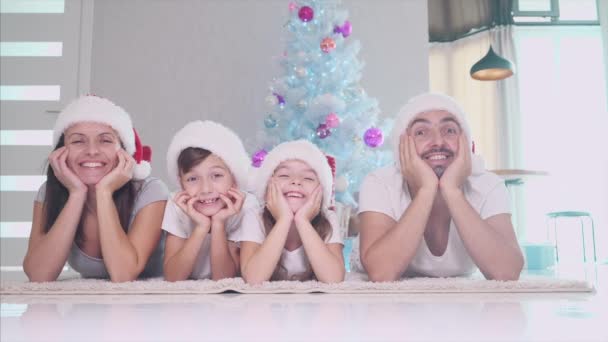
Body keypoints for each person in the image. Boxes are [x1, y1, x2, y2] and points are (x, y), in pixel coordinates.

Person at [352, 92, 524, 281]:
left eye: (449, 130)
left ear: (466, 143)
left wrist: (452, 191)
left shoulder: (488, 185)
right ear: (401, 146)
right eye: (421, 132)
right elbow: (382, 272)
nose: (438, 142)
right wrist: (426, 191)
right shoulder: (379, 183)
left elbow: (507, 272)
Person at [23, 95, 168, 282]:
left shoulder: (151, 191)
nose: (92, 151)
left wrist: (104, 193)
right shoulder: (48, 192)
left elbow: (123, 274)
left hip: (158, 306)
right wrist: (77, 194)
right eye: (78, 141)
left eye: (105, 140)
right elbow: (38, 275)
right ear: (60, 152)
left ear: (124, 152)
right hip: (91, 307)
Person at [162, 120, 260, 281]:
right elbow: (173, 277)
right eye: (193, 178)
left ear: (234, 178)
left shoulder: (247, 206)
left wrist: (218, 224)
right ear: (181, 183)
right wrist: (201, 227)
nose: (206, 189)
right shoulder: (178, 203)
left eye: (217, 176)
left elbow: (223, 279)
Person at [239, 140, 345, 284]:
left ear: (321, 192)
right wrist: (284, 219)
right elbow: (253, 278)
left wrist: (302, 220)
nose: (296, 181)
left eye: (308, 178)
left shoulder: (328, 218)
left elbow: (333, 279)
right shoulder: (255, 217)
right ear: (267, 187)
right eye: (284, 175)